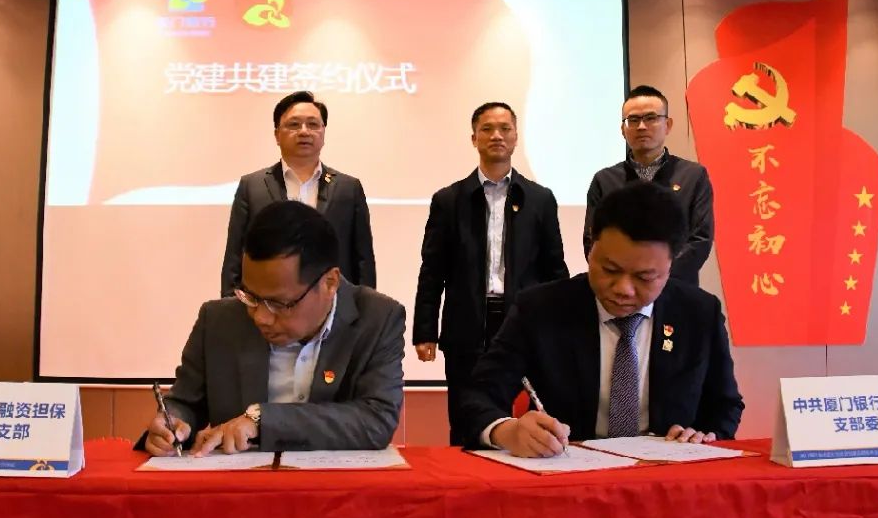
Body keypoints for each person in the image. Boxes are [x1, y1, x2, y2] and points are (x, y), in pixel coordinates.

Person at [464, 181, 743, 457]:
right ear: (591, 247)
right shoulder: (541, 308)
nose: (623, 289)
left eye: (644, 277)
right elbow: (478, 394)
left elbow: (724, 406)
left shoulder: (699, 313)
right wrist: (506, 431)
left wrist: (705, 435)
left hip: (666, 473)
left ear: (672, 264)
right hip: (566, 468)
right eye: (610, 269)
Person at [142, 200, 404, 455]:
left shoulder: (378, 319)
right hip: (239, 481)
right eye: (251, 297)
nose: (261, 317)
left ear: (329, 283)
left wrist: (262, 420)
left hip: (336, 482)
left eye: (279, 303)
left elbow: (376, 420)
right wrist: (172, 425)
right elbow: (184, 404)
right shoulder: (217, 321)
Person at [414, 102, 569, 445]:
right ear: (474, 138)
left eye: (504, 128)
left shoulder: (540, 199)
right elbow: (432, 270)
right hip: (467, 323)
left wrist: (562, 328)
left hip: (523, 321)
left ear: (516, 137)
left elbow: (554, 268)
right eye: (487, 129)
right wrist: (425, 330)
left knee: (528, 412)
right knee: (466, 416)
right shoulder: (449, 200)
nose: (496, 135)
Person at [220, 90, 376, 296]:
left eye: (313, 124)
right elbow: (234, 258)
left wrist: (364, 310)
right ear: (277, 135)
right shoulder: (252, 186)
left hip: (334, 305)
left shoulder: (348, 188)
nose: (304, 132)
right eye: (294, 125)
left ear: (323, 132)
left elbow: (363, 262)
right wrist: (232, 307)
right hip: (269, 304)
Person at [583, 85, 715, 285]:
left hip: (677, 289)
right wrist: (627, 277)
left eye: (651, 118)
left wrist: (652, 276)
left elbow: (700, 240)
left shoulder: (693, 176)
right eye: (633, 120)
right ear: (623, 130)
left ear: (668, 125)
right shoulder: (604, 180)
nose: (642, 126)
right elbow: (593, 240)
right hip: (622, 290)